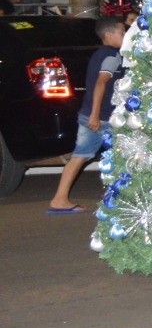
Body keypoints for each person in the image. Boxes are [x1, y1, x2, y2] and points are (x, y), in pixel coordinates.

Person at [46, 17, 126, 214]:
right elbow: (101, 83)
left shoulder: (99, 53)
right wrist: (95, 115)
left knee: (80, 157)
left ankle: (60, 199)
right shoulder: (112, 56)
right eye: (122, 32)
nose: (125, 36)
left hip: (92, 114)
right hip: (102, 118)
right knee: (93, 157)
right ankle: (61, 199)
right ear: (108, 35)